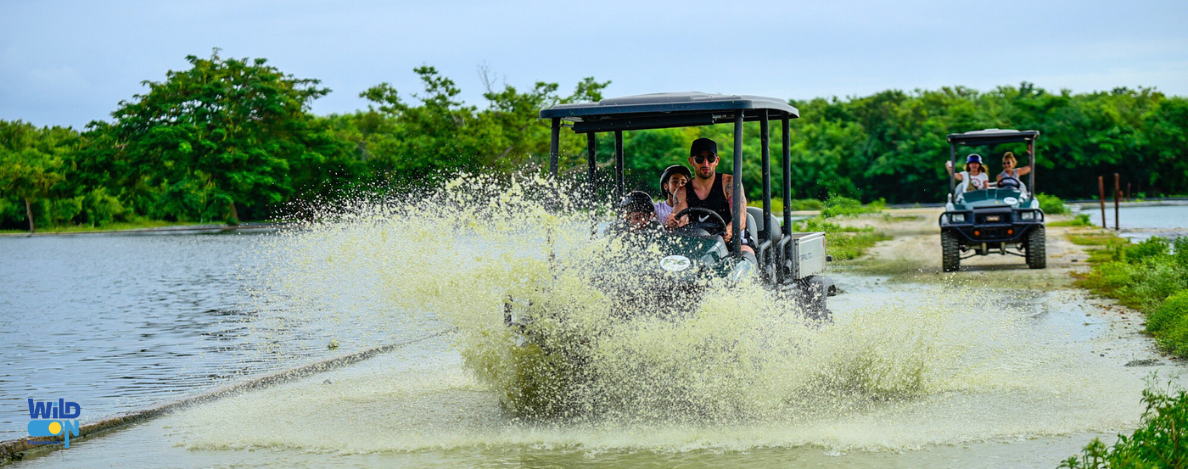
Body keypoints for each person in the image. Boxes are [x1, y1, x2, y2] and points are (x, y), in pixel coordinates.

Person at [667, 138, 755, 258]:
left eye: (710, 158)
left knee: (744, 259)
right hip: (699, 244)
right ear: (691, 161)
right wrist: (674, 221)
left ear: (716, 161)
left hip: (732, 241)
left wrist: (729, 231)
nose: (706, 163)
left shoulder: (730, 183)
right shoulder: (682, 191)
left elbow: (740, 218)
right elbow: (681, 220)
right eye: (700, 159)